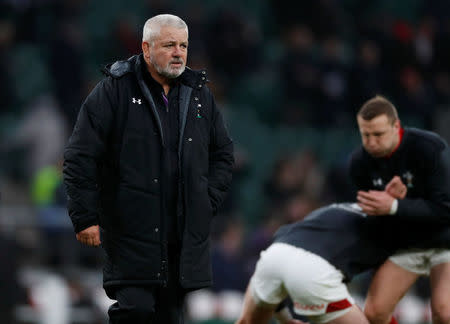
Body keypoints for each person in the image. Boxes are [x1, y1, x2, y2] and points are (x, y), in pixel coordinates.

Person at [63, 14, 234, 324]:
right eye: (169, 45)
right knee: (135, 309)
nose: (179, 53)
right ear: (145, 47)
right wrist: (85, 216)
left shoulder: (199, 94)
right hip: (131, 230)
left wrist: (205, 200)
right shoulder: (113, 90)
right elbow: (80, 156)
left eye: (183, 45)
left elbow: (222, 153)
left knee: (170, 316)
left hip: (181, 234)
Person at [235, 200, 450, 324]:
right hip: (312, 270)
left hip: (275, 254)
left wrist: (286, 320)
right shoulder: (399, 229)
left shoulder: (342, 206)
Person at [349, 95, 450, 324]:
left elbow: (446, 209)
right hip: (406, 245)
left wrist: (395, 205)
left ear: (396, 127)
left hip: (445, 242)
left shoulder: (429, 148)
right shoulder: (359, 164)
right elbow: (371, 221)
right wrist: (386, 208)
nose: (371, 142)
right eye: (365, 135)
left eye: (378, 134)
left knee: (445, 313)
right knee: (374, 313)